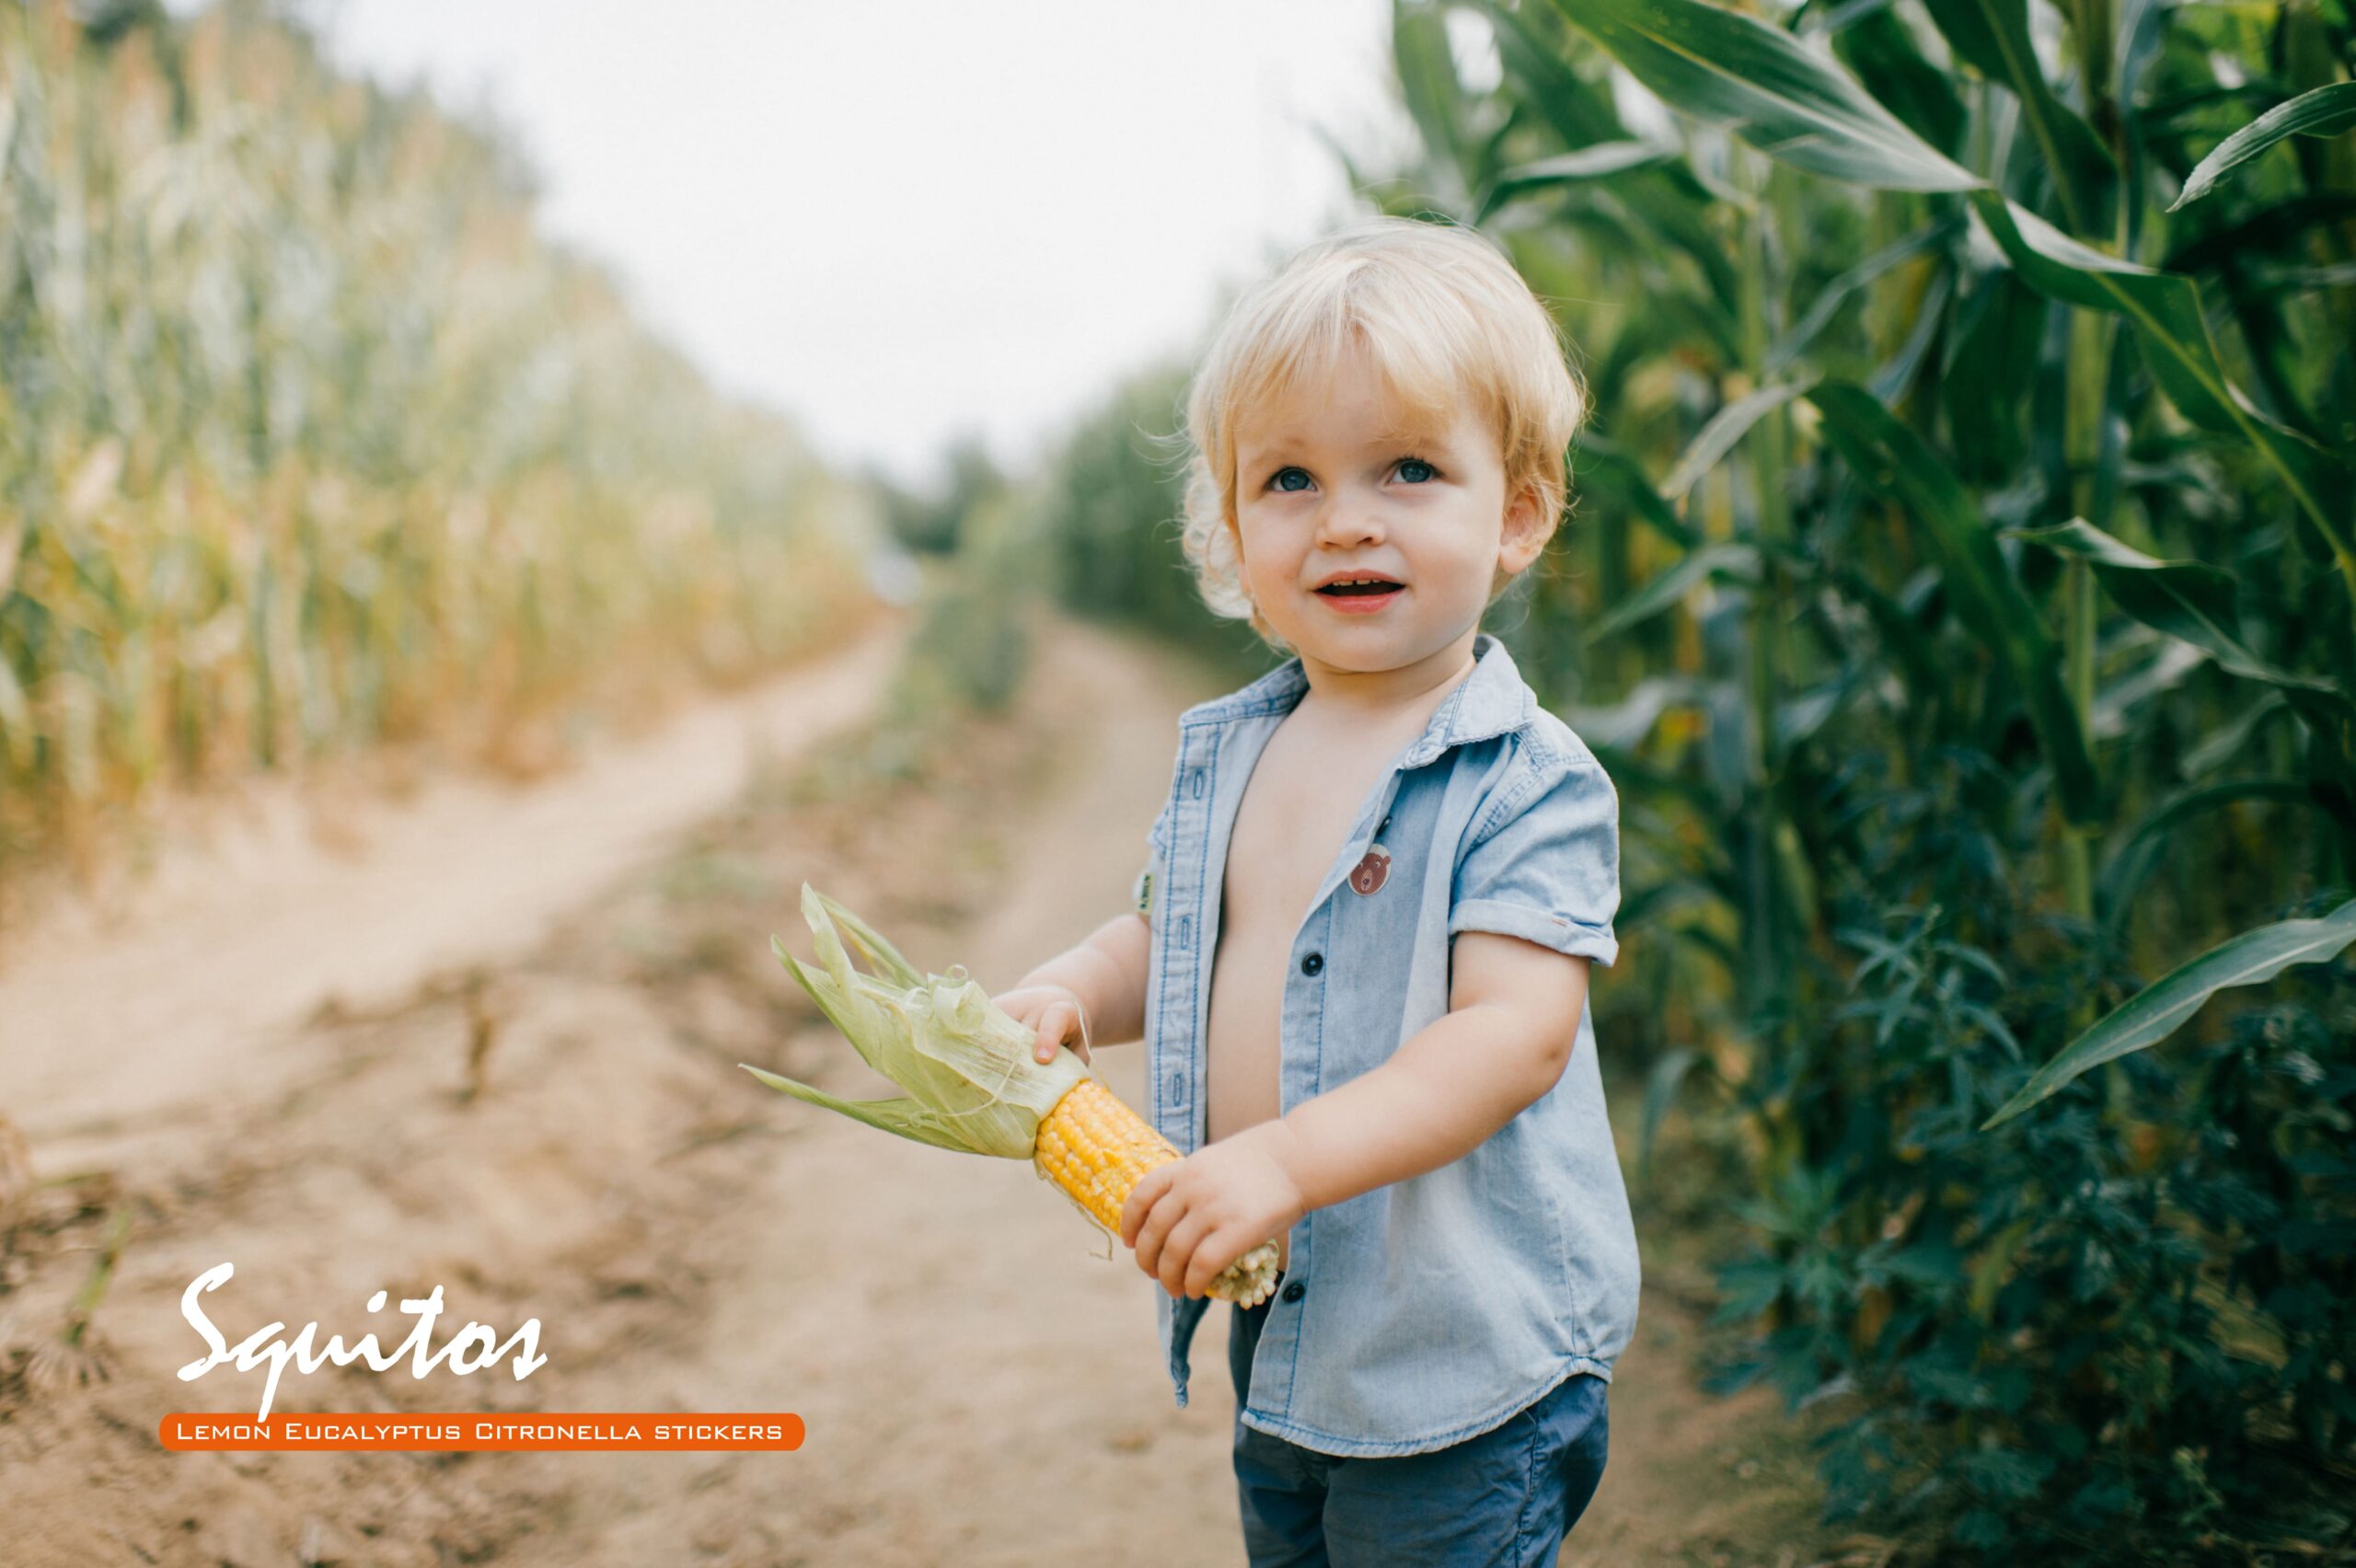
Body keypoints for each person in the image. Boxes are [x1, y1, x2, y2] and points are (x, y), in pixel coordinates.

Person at [991, 214, 1637, 1566]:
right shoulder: (1239, 753)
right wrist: (1073, 988)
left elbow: (1513, 1036)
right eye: (1290, 479)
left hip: (1458, 1364)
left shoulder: (1524, 783)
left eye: (1410, 469)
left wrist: (1283, 1160)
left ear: (1518, 513)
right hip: (1289, 1332)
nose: (1347, 519)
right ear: (1234, 532)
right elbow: (1177, 935)